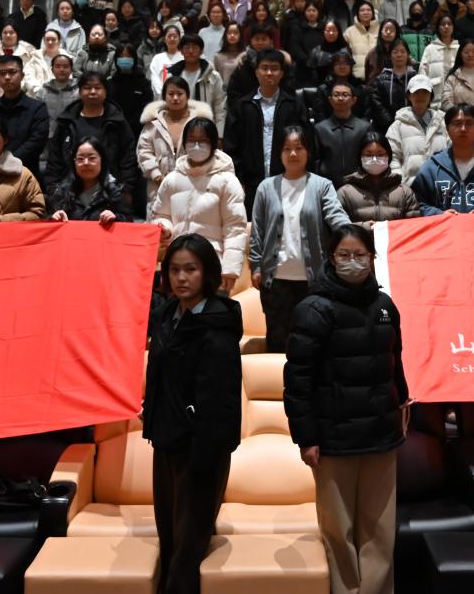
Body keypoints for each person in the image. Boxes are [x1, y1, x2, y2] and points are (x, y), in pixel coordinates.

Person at [284, 223, 408, 594]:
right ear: (331, 258)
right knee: (339, 532)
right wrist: (306, 438)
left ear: (372, 258)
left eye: (359, 255)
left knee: (380, 532)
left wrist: (401, 408)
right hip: (333, 440)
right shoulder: (313, 309)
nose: (352, 262)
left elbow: (396, 363)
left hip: (381, 436)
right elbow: (298, 381)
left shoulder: (385, 306)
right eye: (344, 255)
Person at [143, 234, 242, 594]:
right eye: (174, 270)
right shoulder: (166, 314)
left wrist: (207, 452)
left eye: (191, 269)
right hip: (165, 439)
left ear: (208, 273)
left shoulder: (218, 323)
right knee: (169, 537)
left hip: (202, 448)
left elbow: (222, 398)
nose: (181, 278)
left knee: (189, 547)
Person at [249, 126, 350, 352]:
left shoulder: (322, 185)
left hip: (313, 281)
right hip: (275, 282)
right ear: (279, 153)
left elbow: (337, 218)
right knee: (278, 344)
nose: (293, 154)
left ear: (308, 152)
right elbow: (257, 231)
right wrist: (255, 265)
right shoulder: (266, 187)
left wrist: (359, 231)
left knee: (315, 342)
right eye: (286, 149)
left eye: (299, 148)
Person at [152, 118, 247, 294]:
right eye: (191, 140)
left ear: (214, 144)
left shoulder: (227, 181)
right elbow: (161, 215)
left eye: (202, 141)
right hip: (177, 266)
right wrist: (165, 229)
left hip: (213, 266)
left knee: (210, 311)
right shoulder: (171, 179)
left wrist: (230, 269)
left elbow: (235, 228)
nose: (196, 146)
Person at [224, 50, 311, 211]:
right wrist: (238, 179)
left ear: (282, 73)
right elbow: (231, 147)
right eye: (264, 68)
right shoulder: (242, 106)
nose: (269, 73)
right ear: (256, 72)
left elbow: (307, 144)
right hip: (249, 184)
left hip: (288, 181)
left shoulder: (294, 105)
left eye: (274, 68)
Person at [45, 71, 139, 202]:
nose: (93, 92)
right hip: (69, 189)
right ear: (79, 91)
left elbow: (128, 156)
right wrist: (52, 187)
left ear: (105, 92)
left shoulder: (117, 121)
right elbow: (55, 156)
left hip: (111, 190)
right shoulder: (67, 120)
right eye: (87, 88)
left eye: (98, 87)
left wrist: (126, 188)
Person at [138, 77, 212, 215]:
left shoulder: (200, 122)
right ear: (164, 97)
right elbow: (144, 151)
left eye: (180, 93)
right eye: (171, 94)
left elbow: (208, 151)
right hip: (158, 186)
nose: (175, 98)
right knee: (160, 223)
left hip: (193, 184)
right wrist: (156, 175)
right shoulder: (153, 123)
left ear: (188, 96)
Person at [0, 55, 49, 176]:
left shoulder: (37, 108)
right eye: (2, 73)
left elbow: (37, 142)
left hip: (26, 173)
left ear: (22, 76)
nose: (7, 77)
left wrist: (7, 163)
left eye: (12, 72)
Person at [47, 137, 133, 225]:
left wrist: (115, 217)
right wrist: (53, 218)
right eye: (80, 159)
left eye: (92, 158)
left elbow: (129, 222)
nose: (86, 163)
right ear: (74, 162)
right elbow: (47, 219)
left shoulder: (116, 191)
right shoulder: (62, 191)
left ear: (102, 160)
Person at [337, 132, 420, 224]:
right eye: (368, 155)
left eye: (380, 154)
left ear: (388, 157)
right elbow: (341, 228)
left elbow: (413, 226)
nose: (374, 159)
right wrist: (365, 228)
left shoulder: (405, 193)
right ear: (360, 157)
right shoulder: (345, 194)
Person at [386, 74, 449, 184]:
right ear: (409, 96)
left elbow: (453, 152)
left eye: (425, 92)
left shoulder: (443, 123)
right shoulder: (397, 126)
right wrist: (401, 184)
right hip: (410, 187)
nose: (420, 96)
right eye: (416, 92)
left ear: (431, 96)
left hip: (442, 185)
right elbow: (392, 158)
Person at [314, 81, 373, 188]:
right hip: (327, 185)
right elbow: (315, 161)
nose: (340, 98)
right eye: (336, 95)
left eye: (345, 95)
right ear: (330, 100)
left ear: (354, 100)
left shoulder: (365, 128)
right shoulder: (319, 129)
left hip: (359, 185)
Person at [173, 34, 227, 136]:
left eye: (195, 47)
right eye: (187, 47)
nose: (191, 51)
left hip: (206, 129)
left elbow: (220, 107)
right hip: (178, 128)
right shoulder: (173, 76)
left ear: (201, 51)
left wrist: (219, 135)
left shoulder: (213, 76)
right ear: (181, 51)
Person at [225, 25, 291, 103]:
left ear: (271, 41)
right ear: (251, 41)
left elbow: (288, 88)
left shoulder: (279, 61)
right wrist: (245, 106)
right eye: (257, 39)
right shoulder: (243, 63)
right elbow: (233, 92)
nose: (260, 42)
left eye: (264, 39)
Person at [369, 38, 416, 129]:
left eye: (402, 52)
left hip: (411, 124)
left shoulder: (415, 78)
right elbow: (377, 103)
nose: (399, 55)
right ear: (389, 56)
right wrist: (390, 123)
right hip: (386, 126)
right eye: (395, 52)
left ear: (408, 55)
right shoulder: (381, 79)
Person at [438, 39, 474, 112]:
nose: (470, 55)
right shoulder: (452, 77)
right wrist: (460, 115)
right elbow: (446, 101)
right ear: (460, 54)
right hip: (458, 117)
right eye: (466, 52)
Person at [109, 45, 153, 138]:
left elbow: (147, 106)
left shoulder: (143, 83)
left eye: (128, 56)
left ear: (134, 59)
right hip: (115, 128)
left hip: (138, 129)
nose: (124, 59)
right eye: (121, 57)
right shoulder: (111, 82)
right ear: (116, 59)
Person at [40, 53, 78, 137]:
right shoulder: (43, 91)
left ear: (71, 69)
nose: (61, 69)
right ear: (52, 69)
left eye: (65, 66)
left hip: (73, 135)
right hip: (48, 135)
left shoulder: (79, 90)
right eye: (57, 66)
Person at [420, 14, 460, 89]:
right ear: (438, 27)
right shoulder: (430, 48)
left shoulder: (459, 48)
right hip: (435, 90)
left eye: (449, 24)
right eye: (443, 24)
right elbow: (422, 71)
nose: (446, 26)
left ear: (453, 27)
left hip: (456, 91)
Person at [304, 20, 348, 88]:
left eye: (334, 30)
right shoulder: (315, 51)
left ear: (339, 32)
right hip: (320, 88)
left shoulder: (346, 50)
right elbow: (310, 75)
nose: (331, 33)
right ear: (323, 32)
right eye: (328, 30)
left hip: (342, 88)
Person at [342, 3, 379, 81]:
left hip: (378, 77)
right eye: (362, 10)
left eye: (368, 10)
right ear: (357, 14)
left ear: (373, 13)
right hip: (356, 77)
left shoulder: (381, 30)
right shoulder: (349, 32)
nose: (365, 12)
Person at [149, 22, 185, 97]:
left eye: (175, 36)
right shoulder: (157, 58)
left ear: (180, 39)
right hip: (162, 97)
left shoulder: (184, 57)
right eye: (169, 36)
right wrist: (164, 95)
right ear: (164, 39)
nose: (172, 39)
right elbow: (155, 79)